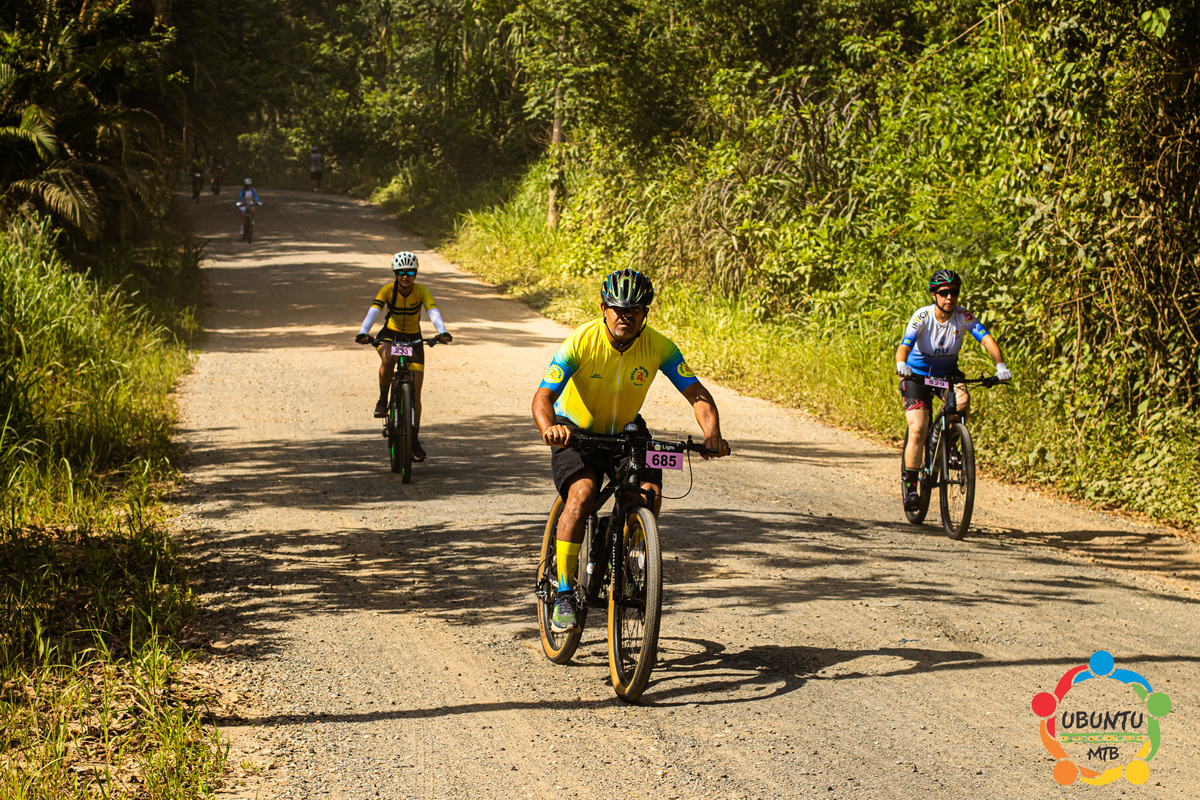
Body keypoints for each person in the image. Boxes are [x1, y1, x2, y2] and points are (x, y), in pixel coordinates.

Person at [532, 268, 730, 633]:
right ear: (604, 309)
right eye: (618, 310)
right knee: (582, 495)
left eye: (634, 311)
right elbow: (543, 397)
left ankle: (623, 554)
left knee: (649, 494)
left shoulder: (660, 346)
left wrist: (712, 434)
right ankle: (564, 591)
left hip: (626, 431)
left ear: (645, 313)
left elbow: (697, 394)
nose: (626, 317)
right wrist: (550, 428)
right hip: (577, 431)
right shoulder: (581, 341)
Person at [895, 269, 1011, 511]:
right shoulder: (922, 316)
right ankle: (912, 489)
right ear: (934, 295)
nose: (950, 297)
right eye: (944, 292)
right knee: (917, 429)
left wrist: (1000, 366)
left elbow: (987, 339)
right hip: (917, 376)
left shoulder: (963, 316)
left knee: (962, 401)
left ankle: (951, 444)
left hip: (947, 373)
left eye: (954, 292)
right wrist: (901, 364)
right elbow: (904, 346)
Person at [355, 252, 452, 461]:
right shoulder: (388, 290)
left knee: (415, 393)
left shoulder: (421, 291)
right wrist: (364, 332)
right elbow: (374, 310)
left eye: (409, 272)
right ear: (395, 274)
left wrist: (442, 331)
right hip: (390, 335)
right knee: (387, 358)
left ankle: (413, 438)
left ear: (415, 274)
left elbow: (432, 310)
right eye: (401, 273)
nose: (405, 277)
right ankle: (383, 398)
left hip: (413, 338)